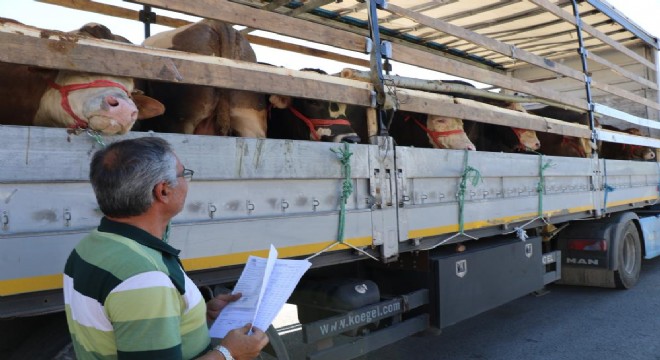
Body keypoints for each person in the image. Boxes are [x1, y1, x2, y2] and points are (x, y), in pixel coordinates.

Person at [63, 136, 269, 359]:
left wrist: (198, 315)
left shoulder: (92, 246)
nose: (186, 182)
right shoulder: (144, 277)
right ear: (163, 191)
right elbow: (141, 296)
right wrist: (229, 353)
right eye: (183, 174)